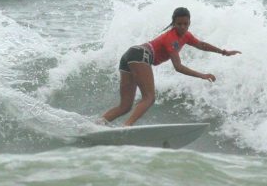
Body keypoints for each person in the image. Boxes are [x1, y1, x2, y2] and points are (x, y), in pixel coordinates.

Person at [101, 7, 241, 126]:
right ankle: (127, 127)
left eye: (185, 24)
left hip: (130, 55)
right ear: (174, 23)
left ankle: (97, 125)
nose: (182, 27)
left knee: (125, 106)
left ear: (189, 23)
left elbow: (201, 45)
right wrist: (202, 75)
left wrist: (223, 52)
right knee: (149, 98)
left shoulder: (186, 35)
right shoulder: (171, 39)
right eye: (179, 24)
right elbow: (178, 67)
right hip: (140, 55)